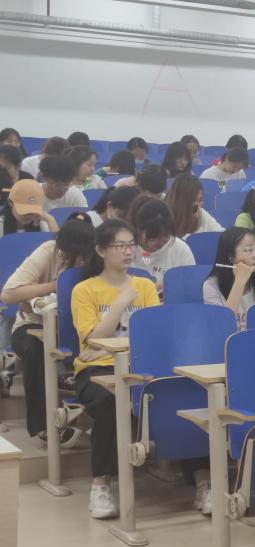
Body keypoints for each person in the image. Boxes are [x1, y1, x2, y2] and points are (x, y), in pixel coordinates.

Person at [71, 218, 160, 519]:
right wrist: (121, 302)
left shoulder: (145, 285)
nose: (127, 251)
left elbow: (154, 335)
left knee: (180, 392)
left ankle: (203, 481)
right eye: (119, 246)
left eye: (131, 245)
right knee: (111, 401)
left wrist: (108, 345)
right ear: (100, 250)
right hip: (96, 369)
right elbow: (93, 340)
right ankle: (100, 485)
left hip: (140, 364)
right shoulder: (85, 290)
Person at [3, 215, 95, 446]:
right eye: (73, 255)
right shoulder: (48, 251)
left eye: (84, 255)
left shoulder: (96, 258)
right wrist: (56, 286)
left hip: (80, 328)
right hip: (33, 325)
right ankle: (44, 426)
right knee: (36, 349)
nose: (80, 261)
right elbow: (9, 294)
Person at [203, 227, 255, 329]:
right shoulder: (211, 285)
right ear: (230, 256)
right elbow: (222, 326)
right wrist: (239, 282)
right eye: (249, 250)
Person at [132, 198, 196, 288]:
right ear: (139, 230)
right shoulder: (128, 248)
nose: (161, 242)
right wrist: (157, 286)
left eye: (166, 236)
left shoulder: (180, 249)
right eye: (154, 237)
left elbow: (191, 283)